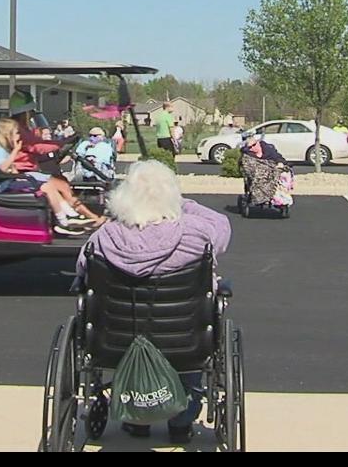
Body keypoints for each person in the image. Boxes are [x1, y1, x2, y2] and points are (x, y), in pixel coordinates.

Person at [76, 160, 232, 444]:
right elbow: (222, 226)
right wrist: (184, 204)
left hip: (116, 341)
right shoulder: (196, 234)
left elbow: (82, 274)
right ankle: (181, 423)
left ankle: (135, 418)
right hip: (183, 341)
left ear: (123, 197)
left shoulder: (103, 239)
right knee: (191, 338)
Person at [0, 119, 101, 235]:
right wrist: (16, 150)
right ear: (6, 135)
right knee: (47, 186)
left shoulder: (4, 150)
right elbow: (3, 168)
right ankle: (64, 220)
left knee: (50, 185)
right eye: (16, 133)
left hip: (9, 182)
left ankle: (68, 215)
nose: (19, 136)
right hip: (3, 186)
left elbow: (11, 170)